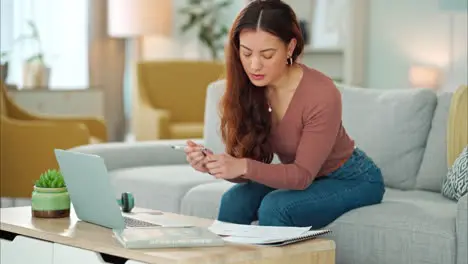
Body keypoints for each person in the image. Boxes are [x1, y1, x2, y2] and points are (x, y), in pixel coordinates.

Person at [184, 0, 385, 228]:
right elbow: (249, 169)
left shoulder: (321, 93)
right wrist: (214, 165)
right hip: (307, 177)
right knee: (234, 200)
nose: (254, 65)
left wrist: (243, 166)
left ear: (290, 48)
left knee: (277, 206)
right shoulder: (250, 89)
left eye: (267, 55)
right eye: (246, 53)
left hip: (352, 179)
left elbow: (301, 175)